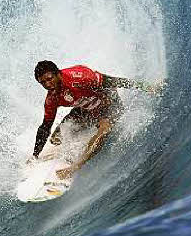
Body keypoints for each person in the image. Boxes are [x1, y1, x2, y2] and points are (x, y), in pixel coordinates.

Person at [32, 60, 163, 180]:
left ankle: (74, 167)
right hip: (86, 109)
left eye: (49, 79)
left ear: (58, 73)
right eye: (42, 82)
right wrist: (35, 155)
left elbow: (114, 81)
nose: (47, 85)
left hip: (108, 104)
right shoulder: (52, 99)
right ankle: (56, 156)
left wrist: (147, 87)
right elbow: (45, 128)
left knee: (104, 130)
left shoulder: (79, 76)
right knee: (56, 138)